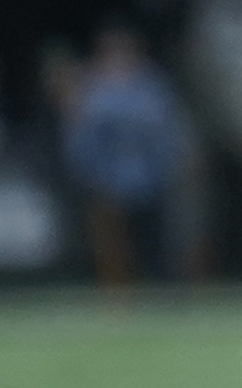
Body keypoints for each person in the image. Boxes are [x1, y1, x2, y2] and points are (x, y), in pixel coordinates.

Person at [60, 27, 186, 290]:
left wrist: (170, 169)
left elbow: (167, 134)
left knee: (155, 245)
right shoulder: (94, 92)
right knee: (113, 249)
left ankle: (160, 290)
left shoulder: (151, 88)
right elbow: (84, 141)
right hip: (109, 183)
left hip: (151, 182)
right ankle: (117, 295)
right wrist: (92, 178)